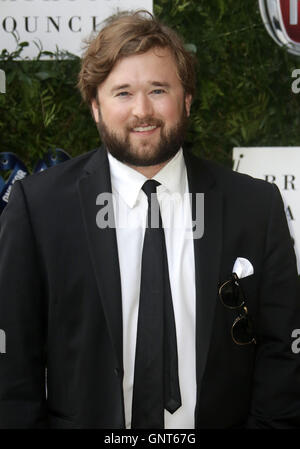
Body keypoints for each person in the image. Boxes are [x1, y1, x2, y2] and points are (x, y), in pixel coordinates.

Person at [0, 10, 299, 429]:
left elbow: (281, 353)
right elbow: (14, 369)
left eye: (159, 89)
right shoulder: (38, 208)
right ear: (95, 106)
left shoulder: (255, 207)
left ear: (187, 99)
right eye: (122, 92)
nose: (143, 111)